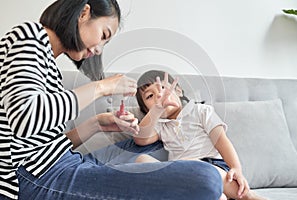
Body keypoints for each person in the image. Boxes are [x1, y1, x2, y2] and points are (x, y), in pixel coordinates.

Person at [0, 0, 223, 199]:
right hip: (33, 177)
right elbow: (25, 118)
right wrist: (102, 87)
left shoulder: (50, 67)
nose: (98, 50)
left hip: (60, 162)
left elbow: (48, 145)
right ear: (84, 13)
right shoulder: (29, 35)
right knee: (206, 178)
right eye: (104, 36)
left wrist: (98, 123)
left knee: (145, 143)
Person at [134, 70, 266, 200]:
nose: (159, 96)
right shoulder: (160, 125)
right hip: (183, 175)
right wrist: (156, 110)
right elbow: (141, 139)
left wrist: (236, 168)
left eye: (163, 88)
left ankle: (248, 196)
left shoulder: (200, 111)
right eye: (150, 96)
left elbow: (221, 140)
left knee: (193, 166)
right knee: (142, 160)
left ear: (178, 91)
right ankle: (217, 196)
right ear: (146, 110)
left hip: (213, 167)